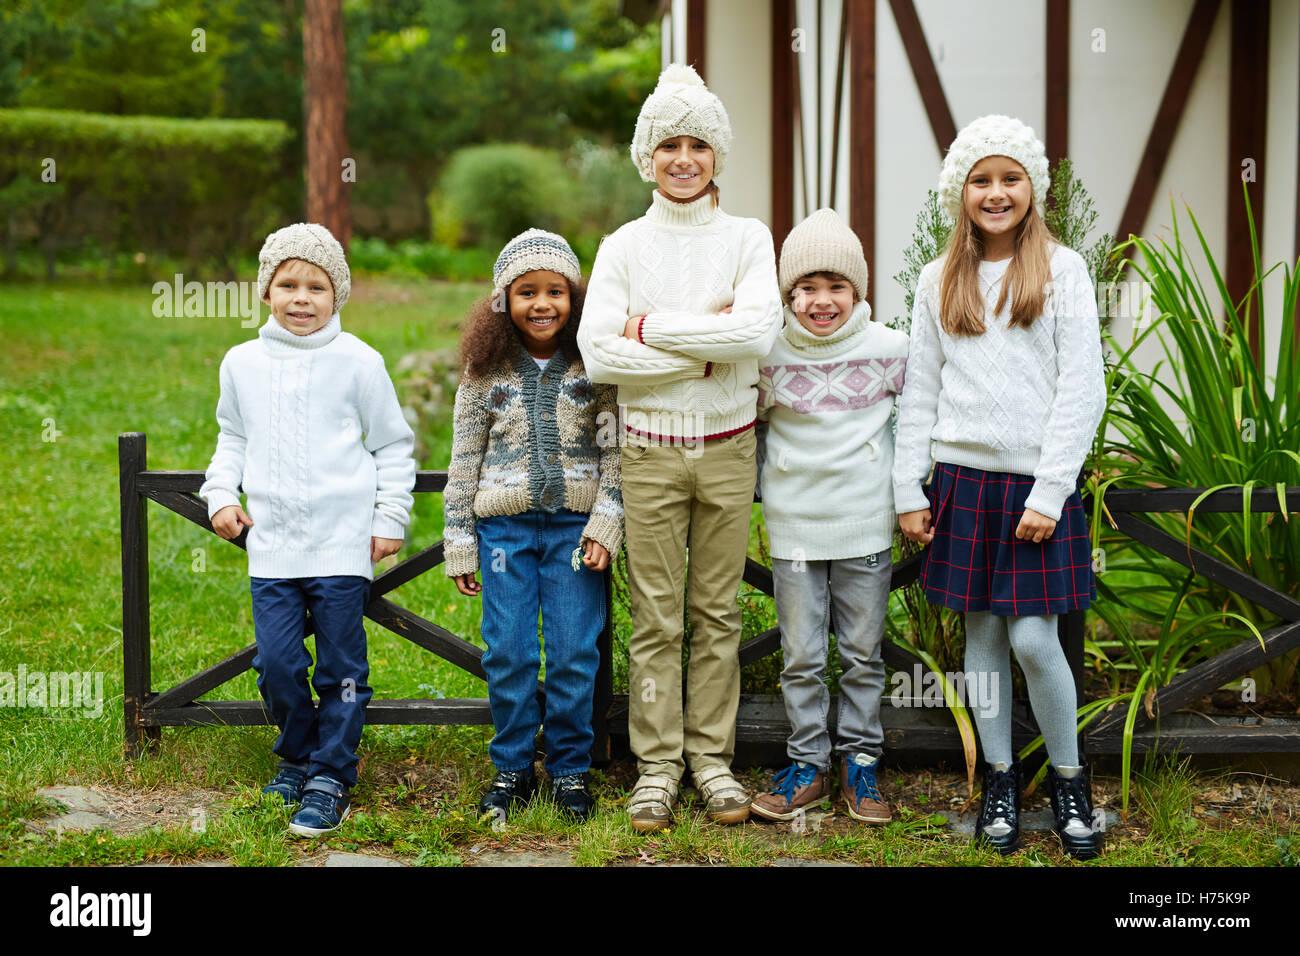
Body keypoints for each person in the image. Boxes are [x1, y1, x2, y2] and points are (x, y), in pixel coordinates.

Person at [893, 115, 1106, 858]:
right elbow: (920, 390)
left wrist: (1051, 492)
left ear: (1033, 188)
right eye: (980, 180)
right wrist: (908, 489)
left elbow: (1083, 391)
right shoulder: (937, 279)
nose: (995, 192)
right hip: (961, 481)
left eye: (1010, 177)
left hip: (1033, 489)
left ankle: (1072, 780)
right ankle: (1001, 784)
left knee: (1033, 640)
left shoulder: (1063, 269)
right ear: (960, 193)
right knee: (981, 637)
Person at [577, 64, 783, 833]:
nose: (684, 158)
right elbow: (599, 355)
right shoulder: (623, 246)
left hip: (730, 451)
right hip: (651, 452)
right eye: (670, 145)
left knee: (718, 613)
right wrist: (705, 349)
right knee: (658, 619)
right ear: (648, 157)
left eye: (699, 144)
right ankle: (658, 768)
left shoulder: (748, 238)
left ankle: (714, 760)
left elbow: (758, 333)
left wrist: (650, 328)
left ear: (717, 156)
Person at [200, 222, 416, 837]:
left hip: (343, 545)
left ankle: (331, 773)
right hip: (271, 548)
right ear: (266, 291)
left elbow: (394, 448)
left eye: (316, 286)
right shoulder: (241, 362)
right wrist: (219, 493)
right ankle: (296, 756)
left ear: (337, 295)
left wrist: (388, 517)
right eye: (287, 283)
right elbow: (232, 437)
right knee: (276, 665)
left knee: (342, 669)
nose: (301, 297)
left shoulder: (359, 362)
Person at [444, 229, 623, 823]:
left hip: (576, 533)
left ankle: (571, 770)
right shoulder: (483, 372)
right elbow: (464, 460)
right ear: (503, 302)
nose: (542, 304)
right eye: (526, 293)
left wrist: (606, 520)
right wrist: (461, 540)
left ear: (575, 298)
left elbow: (616, 452)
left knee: (575, 651)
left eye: (556, 291)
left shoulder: (595, 366)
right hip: (505, 536)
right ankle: (514, 765)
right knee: (509, 652)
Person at [749, 208, 909, 826]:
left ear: (858, 291)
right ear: (788, 294)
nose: (821, 301)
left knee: (865, 654)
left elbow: (916, 423)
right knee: (802, 655)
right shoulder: (766, 354)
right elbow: (751, 428)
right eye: (806, 289)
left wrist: (909, 494)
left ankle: (862, 763)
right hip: (793, 526)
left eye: (836, 287)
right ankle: (808, 764)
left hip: (865, 525)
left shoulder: (891, 348)